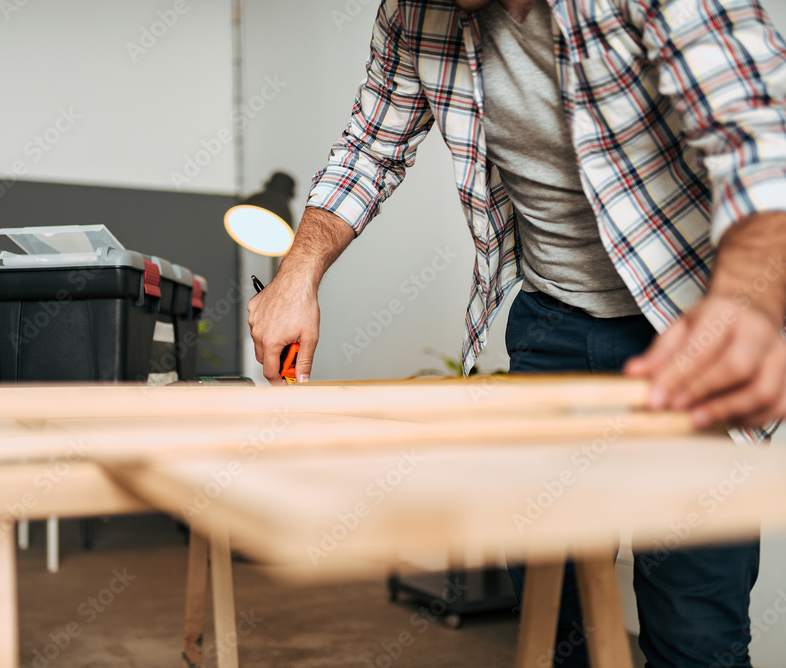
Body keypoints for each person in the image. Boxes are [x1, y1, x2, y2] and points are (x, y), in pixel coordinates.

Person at [246, 0, 786, 665]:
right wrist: (297, 273)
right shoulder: (415, 12)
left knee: (696, 631)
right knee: (550, 617)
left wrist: (747, 306)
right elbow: (369, 147)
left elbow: (759, 139)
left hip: (686, 330)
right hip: (551, 324)